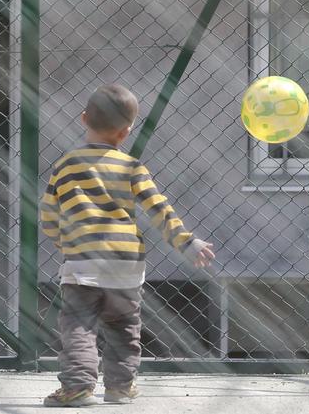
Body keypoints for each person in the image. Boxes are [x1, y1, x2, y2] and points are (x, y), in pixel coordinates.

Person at [40, 83, 215, 407]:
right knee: (123, 325)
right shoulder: (132, 167)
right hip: (125, 265)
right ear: (126, 132)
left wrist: (63, 242)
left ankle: (78, 385)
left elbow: (48, 215)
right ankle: (120, 387)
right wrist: (186, 242)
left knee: (78, 325)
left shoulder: (66, 166)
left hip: (82, 262)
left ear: (83, 118)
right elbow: (158, 208)